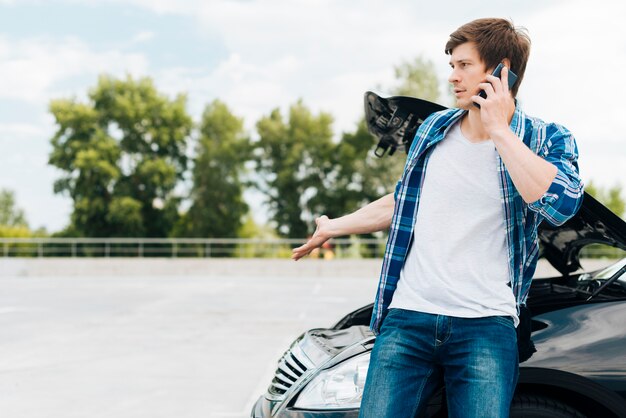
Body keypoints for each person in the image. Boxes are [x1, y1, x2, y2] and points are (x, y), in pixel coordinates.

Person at [292, 18, 583, 418]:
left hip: (485, 326)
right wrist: (334, 226)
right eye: (452, 66)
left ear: (501, 70)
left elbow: (559, 204)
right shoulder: (434, 129)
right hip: (408, 317)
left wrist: (499, 129)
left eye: (463, 65)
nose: (452, 77)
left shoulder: (547, 138)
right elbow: (406, 200)